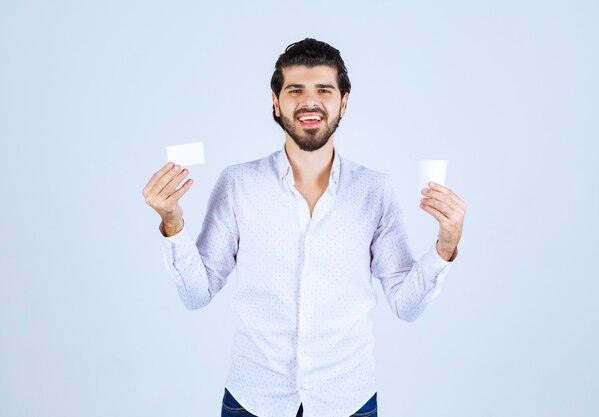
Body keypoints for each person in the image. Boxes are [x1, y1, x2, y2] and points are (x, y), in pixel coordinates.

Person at [142, 38, 465, 417]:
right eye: (295, 90)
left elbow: (406, 305)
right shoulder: (238, 184)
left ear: (343, 102)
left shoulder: (375, 190)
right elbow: (196, 294)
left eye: (324, 90)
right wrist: (173, 223)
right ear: (276, 102)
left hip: (348, 399)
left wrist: (445, 245)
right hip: (253, 400)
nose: (309, 102)